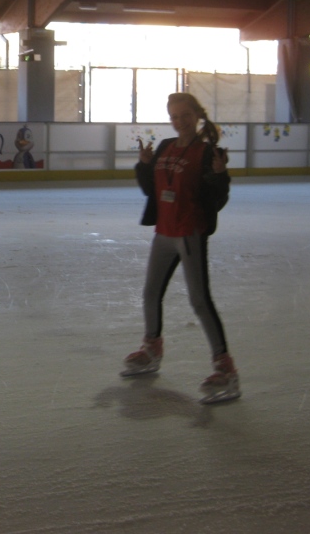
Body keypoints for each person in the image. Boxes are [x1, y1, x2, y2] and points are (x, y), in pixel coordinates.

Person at [122, 92, 238, 404]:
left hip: (189, 233)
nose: (179, 121)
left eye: (184, 115)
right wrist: (145, 166)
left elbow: (217, 199)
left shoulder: (206, 151)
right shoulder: (164, 147)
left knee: (199, 301)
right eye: (173, 116)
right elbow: (152, 191)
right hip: (164, 233)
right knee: (150, 293)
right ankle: (151, 349)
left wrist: (219, 175)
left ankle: (225, 368)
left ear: (196, 115)